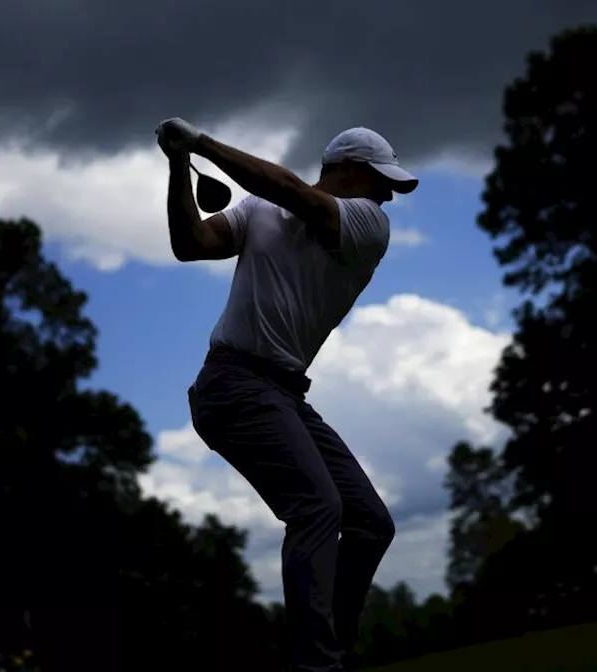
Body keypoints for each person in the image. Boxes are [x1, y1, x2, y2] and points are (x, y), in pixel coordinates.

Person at [155, 117, 417, 671]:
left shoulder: (368, 225)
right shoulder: (257, 211)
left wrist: (200, 142)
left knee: (369, 521)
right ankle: (317, 665)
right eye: (380, 181)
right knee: (317, 506)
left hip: (283, 392)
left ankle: (329, 651)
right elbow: (191, 243)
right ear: (346, 170)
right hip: (231, 384)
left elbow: (291, 192)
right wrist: (181, 166)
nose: (387, 197)